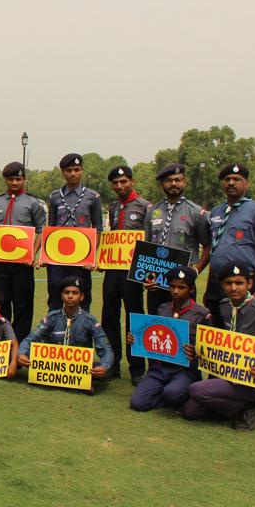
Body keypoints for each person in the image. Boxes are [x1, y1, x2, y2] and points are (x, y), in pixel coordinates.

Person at [182, 262, 255, 430]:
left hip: (254, 380)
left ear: (249, 284)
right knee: (190, 411)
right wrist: (200, 350)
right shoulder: (224, 306)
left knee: (196, 390)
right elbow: (221, 340)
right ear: (222, 285)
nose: (233, 288)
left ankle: (250, 406)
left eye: (239, 283)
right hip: (228, 373)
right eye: (228, 283)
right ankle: (246, 407)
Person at [128, 265, 211, 412]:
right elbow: (151, 337)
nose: (176, 291)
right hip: (160, 368)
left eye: (181, 287)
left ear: (191, 289)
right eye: (172, 286)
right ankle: (168, 395)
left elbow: (209, 350)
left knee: (172, 394)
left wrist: (196, 352)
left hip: (185, 370)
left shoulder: (202, 314)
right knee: (137, 403)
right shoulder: (163, 309)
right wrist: (135, 338)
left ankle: (178, 393)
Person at [204, 163, 255, 325]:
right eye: (227, 179)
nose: (231, 182)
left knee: (242, 328)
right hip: (216, 282)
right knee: (214, 328)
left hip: (242, 282)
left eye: (237, 179)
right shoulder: (217, 211)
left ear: (247, 183)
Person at [101, 164, 151, 384]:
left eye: (123, 182)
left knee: (135, 317)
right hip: (113, 269)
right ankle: (112, 362)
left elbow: (148, 239)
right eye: (115, 183)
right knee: (109, 315)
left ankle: (137, 367)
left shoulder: (144, 207)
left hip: (133, 271)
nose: (119, 186)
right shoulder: (113, 207)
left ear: (132, 181)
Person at [0, 161, 45, 341]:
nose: (14, 183)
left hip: (22, 265)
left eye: (18, 179)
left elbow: (41, 231)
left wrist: (32, 254)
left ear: (24, 180)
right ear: (5, 180)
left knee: (23, 307)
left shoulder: (33, 203)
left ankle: (19, 348)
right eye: (11, 179)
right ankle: (0, 344)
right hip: (0, 265)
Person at [142, 163, 212, 314]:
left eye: (177, 179)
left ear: (184, 182)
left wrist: (196, 270)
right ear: (162, 184)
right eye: (168, 180)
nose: (173, 183)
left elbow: (208, 246)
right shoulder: (152, 211)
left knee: (183, 329)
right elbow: (147, 247)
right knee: (156, 325)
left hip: (182, 285)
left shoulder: (196, 212)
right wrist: (147, 277)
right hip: (157, 284)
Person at [18, 276, 113, 380]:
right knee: (26, 357)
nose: (70, 296)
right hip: (53, 363)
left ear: (81, 297)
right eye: (66, 292)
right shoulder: (51, 317)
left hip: (78, 366)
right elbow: (32, 338)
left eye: (75, 293)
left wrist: (104, 366)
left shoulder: (90, 321)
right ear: (61, 296)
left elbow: (105, 348)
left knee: (105, 371)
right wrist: (21, 353)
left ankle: (84, 379)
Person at [43, 153, 102, 311]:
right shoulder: (55, 197)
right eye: (69, 170)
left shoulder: (93, 197)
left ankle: (81, 334)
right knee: (55, 297)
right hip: (58, 259)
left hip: (82, 259)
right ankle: (55, 334)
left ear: (82, 170)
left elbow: (98, 228)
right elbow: (51, 229)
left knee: (82, 298)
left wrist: (91, 256)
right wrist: (47, 256)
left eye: (76, 169)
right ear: (62, 172)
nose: (73, 174)